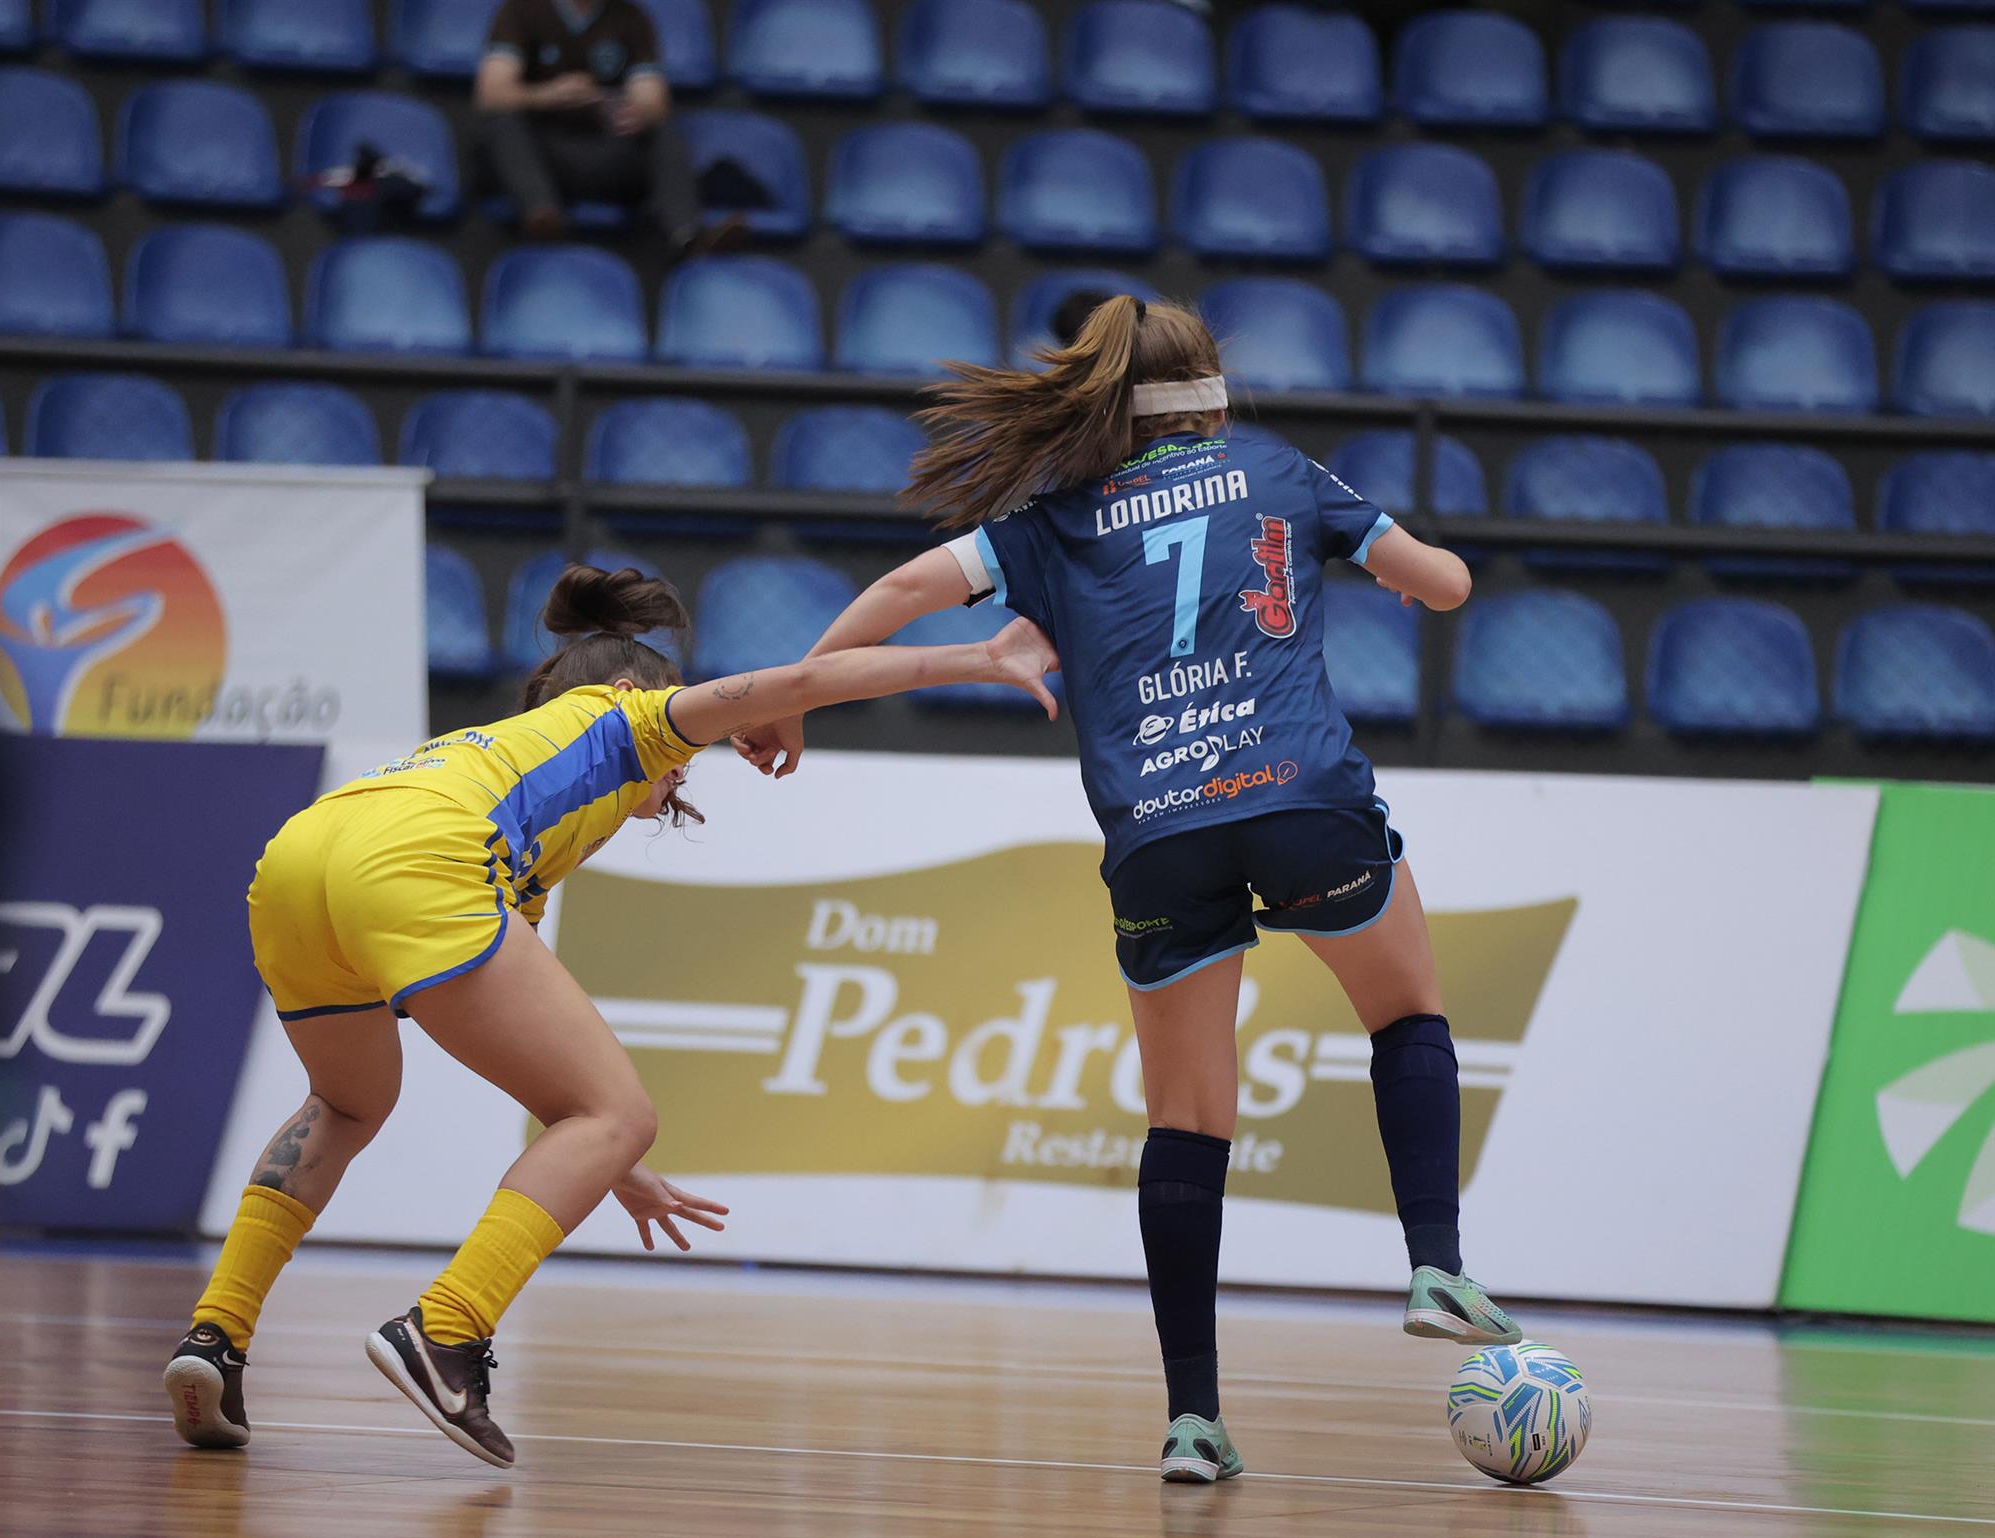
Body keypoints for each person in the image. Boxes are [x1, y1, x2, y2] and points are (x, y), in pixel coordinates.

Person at [733, 298, 1521, 1483]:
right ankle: (1434, 1264)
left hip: (1157, 831)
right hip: (1300, 796)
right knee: (1405, 1009)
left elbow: (899, 589)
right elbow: (1448, 585)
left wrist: (794, 691)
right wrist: (1402, 569)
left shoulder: (1048, 521)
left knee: (1186, 1118)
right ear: (1209, 386)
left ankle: (1192, 1418)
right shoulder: (1280, 469)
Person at [164, 565, 1058, 1469]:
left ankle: (215, 1336)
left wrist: (612, 1158)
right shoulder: (625, 718)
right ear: (633, 688)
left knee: (348, 1105)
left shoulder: (502, 767)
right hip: (415, 861)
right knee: (621, 1109)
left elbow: (549, 1061)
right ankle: (445, 1330)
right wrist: (984, 654)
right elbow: (796, 683)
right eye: (686, 758)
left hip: (300, 856)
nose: (678, 779)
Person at [473, 0, 732, 250]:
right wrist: (549, 95)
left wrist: (637, 111)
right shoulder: (521, 8)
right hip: (539, 154)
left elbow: (653, 98)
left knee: (662, 130)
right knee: (501, 121)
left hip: (601, 152)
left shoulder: (631, 16)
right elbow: (490, 93)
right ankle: (542, 215)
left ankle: (687, 236)